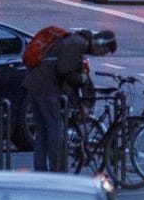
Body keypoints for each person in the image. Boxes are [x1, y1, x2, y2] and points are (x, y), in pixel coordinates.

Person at [24, 28, 117, 172]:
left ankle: (41, 171)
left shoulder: (75, 41)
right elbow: (65, 71)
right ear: (100, 43)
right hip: (46, 88)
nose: (101, 55)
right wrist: (81, 79)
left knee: (42, 132)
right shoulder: (77, 44)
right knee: (56, 130)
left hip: (36, 85)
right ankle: (58, 172)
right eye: (103, 52)